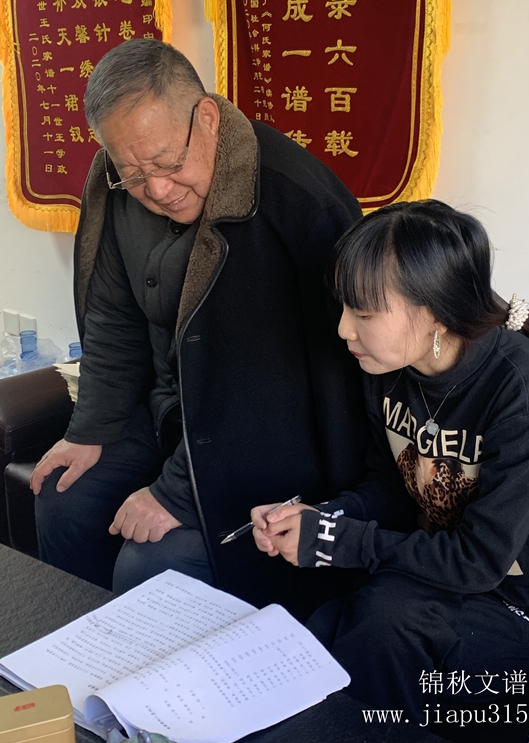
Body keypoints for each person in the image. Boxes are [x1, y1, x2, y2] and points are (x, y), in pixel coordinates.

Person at [31, 39, 367, 609]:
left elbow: (270, 385)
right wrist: (90, 430)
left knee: (151, 563)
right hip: (169, 415)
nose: (157, 190)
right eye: (134, 174)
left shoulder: (297, 200)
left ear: (207, 117)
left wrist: (176, 495)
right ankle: (82, 654)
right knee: (64, 497)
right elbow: (112, 318)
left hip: (269, 440)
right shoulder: (115, 180)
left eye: (168, 164)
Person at [252, 200, 529, 718]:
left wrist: (334, 541)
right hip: (445, 568)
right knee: (322, 630)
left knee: (378, 632)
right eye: (344, 307)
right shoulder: (388, 368)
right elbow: (391, 488)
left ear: (435, 311)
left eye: (364, 313)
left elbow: (480, 560)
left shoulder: (522, 390)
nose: (344, 329)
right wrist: (319, 519)